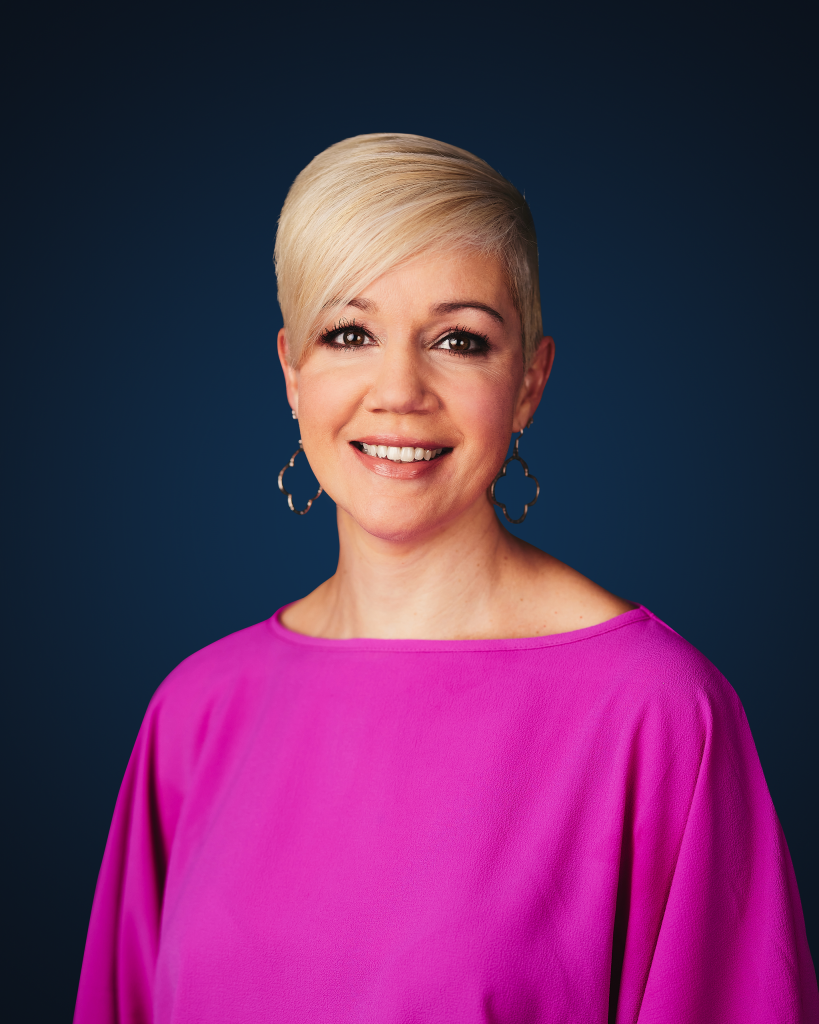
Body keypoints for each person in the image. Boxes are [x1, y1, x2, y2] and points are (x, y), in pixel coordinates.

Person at [74, 134, 818, 1023]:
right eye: (349, 333)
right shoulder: (193, 713)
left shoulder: (657, 714)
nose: (399, 390)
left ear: (529, 381)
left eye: (459, 340)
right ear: (292, 373)